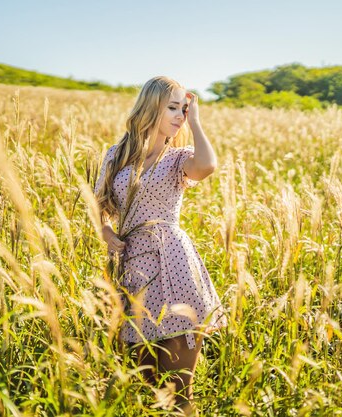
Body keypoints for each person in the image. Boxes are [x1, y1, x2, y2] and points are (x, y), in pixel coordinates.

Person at [94, 75, 228, 415]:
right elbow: (98, 207)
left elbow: (207, 166)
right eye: (173, 107)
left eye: (183, 109)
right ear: (150, 106)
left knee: (179, 388)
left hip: (175, 267)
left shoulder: (178, 158)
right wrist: (106, 232)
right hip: (133, 271)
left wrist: (196, 121)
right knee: (144, 385)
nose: (180, 115)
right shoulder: (117, 154)